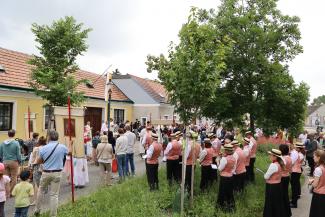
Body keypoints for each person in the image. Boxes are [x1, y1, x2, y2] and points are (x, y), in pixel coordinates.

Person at [34, 130, 71, 217]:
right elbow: (70, 153)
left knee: (41, 190)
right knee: (54, 195)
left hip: (46, 173)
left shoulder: (43, 148)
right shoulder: (62, 147)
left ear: (49, 137)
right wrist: (70, 144)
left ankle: (37, 210)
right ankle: (53, 215)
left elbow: (38, 161)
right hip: (57, 173)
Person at [263, 149, 285, 217]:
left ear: (275, 156)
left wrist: (265, 174)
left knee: (270, 203)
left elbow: (266, 177)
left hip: (271, 187)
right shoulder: (280, 163)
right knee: (276, 202)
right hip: (278, 185)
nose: (269, 156)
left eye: (271, 155)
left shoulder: (273, 165)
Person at [217, 144, 236, 212]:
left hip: (224, 177)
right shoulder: (233, 158)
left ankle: (222, 206)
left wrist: (218, 161)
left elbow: (219, 169)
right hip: (230, 176)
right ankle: (230, 205)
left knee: (222, 192)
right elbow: (233, 168)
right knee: (229, 192)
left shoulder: (224, 159)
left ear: (226, 151)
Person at [30, 136, 47, 205]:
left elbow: (33, 158)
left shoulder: (36, 149)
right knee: (43, 180)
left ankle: (36, 200)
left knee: (35, 183)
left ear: (39, 142)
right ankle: (44, 191)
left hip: (37, 166)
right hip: (45, 166)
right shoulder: (47, 148)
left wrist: (30, 167)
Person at [309, 150, 325, 217]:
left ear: (319, 157)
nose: (313, 157)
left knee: (316, 213)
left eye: (314, 156)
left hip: (318, 194)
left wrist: (311, 182)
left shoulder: (318, 169)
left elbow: (315, 185)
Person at [290, 142, 305, 208]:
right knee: (294, 186)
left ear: (298, 148)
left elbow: (292, 162)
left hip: (295, 171)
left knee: (294, 187)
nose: (295, 148)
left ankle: (294, 203)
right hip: (297, 171)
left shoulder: (298, 154)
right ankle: (293, 201)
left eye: (296, 147)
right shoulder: (300, 154)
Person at [279, 144, 292, 217]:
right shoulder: (289, 158)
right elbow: (290, 170)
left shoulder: (282, 159)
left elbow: (280, 168)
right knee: (285, 194)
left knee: (281, 195)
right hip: (287, 176)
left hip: (282, 177)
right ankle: (287, 212)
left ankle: (283, 212)